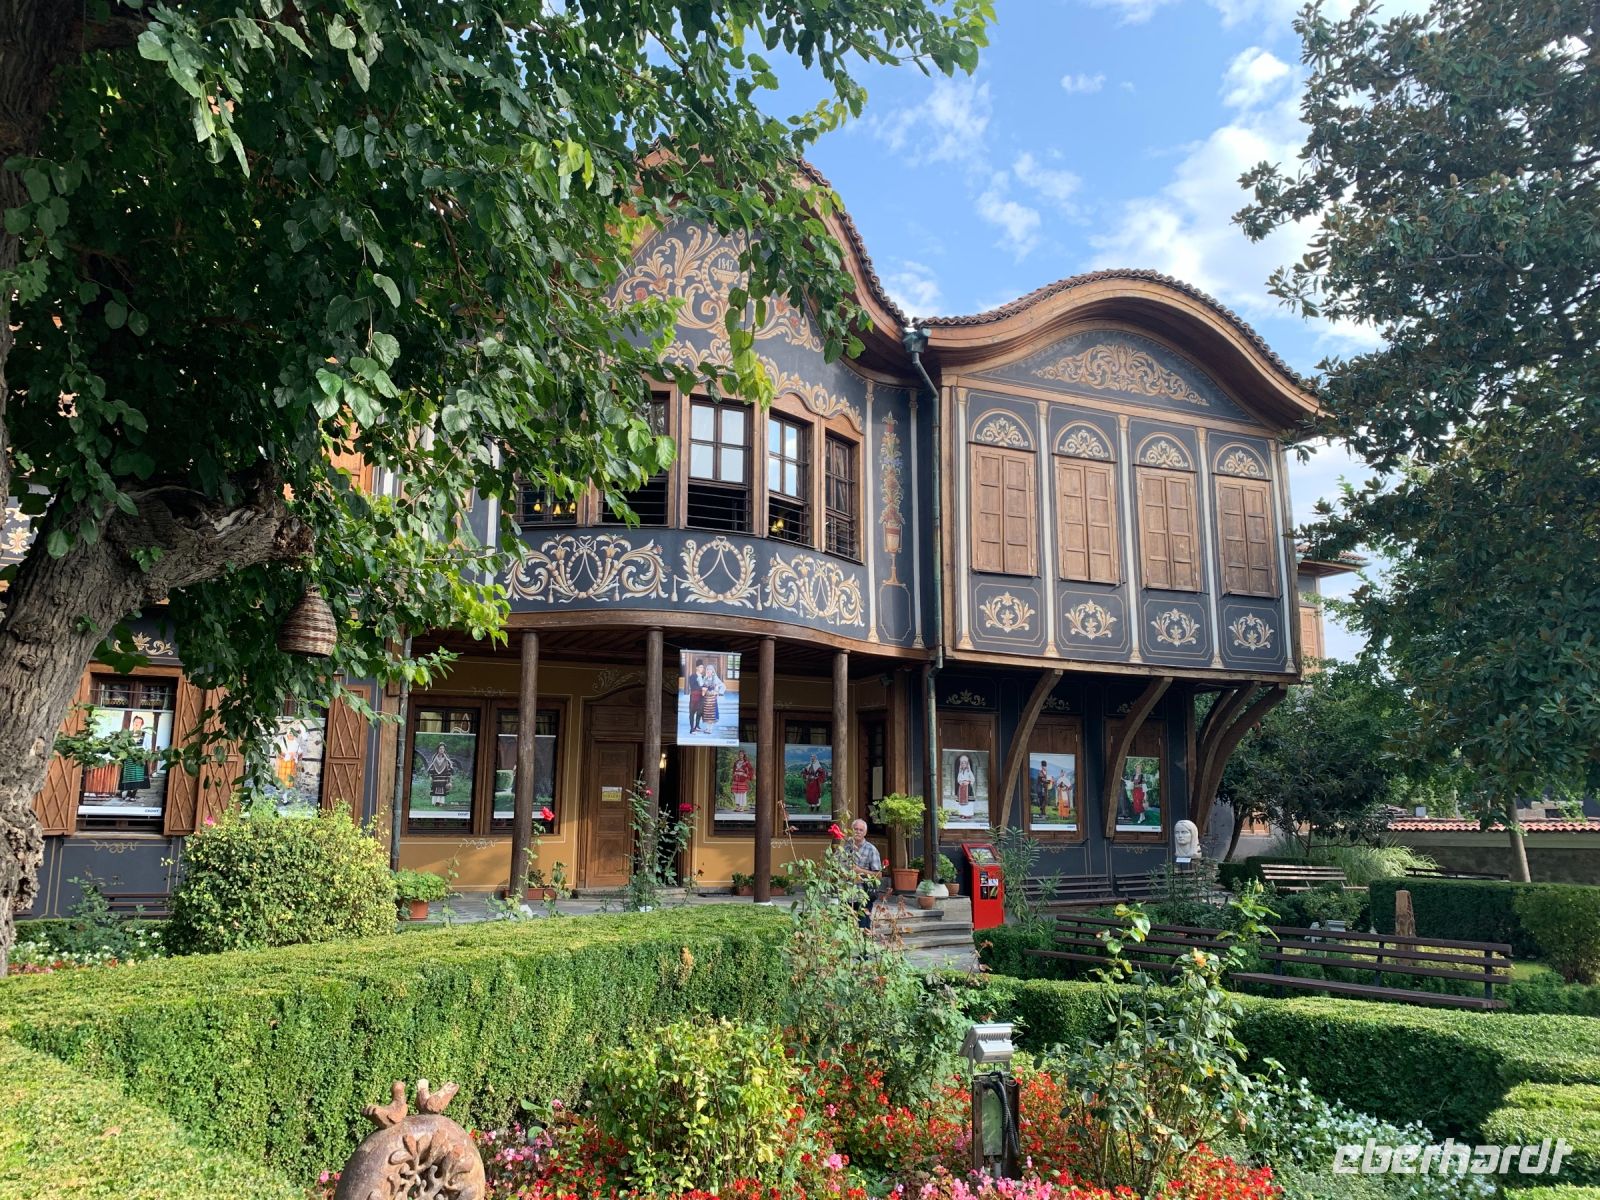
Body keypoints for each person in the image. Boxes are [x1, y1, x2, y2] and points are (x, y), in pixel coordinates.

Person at [845, 818, 885, 930]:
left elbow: (879, 875)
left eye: (861, 830)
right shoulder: (846, 847)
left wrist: (859, 871)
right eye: (855, 829)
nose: (857, 832)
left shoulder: (871, 849)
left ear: (865, 833)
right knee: (846, 928)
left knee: (863, 928)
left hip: (863, 896)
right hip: (846, 894)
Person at [699, 661, 725, 733]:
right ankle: (707, 728)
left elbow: (723, 686)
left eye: (709, 670)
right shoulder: (705, 678)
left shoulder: (715, 678)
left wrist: (718, 692)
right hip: (706, 699)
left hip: (713, 699)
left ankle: (710, 729)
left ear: (712, 671)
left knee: (712, 714)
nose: (708, 671)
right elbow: (702, 686)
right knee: (707, 714)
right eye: (707, 670)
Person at [954, 753, 976, 819]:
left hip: (968, 788)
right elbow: (958, 779)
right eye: (962, 763)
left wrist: (968, 782)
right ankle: (963, 814)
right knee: (962, 802)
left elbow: (973, 779)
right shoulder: (960, 772)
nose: (963, 764)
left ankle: (968, 814)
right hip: (961, 788)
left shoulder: (969, 771)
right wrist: (960, 782)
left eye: (965, 763)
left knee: (968, 801)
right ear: (961, 765)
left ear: (967, 764)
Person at [687, 661, 705, 734]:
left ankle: (697, 726)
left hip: (702, 697)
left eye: (703, 667)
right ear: (696, 668)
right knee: (692, 713)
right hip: (694, 697)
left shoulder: (703, 677)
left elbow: (705, 686)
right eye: (701, 667)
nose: (702, 669)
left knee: (700, 712)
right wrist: (702, 688)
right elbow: (693, 686)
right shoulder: (692, 676)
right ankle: (691, 729)